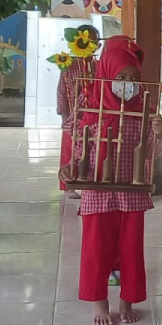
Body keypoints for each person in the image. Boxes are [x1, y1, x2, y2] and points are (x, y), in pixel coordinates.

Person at [63, 36, 162, 325]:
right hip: (97, 191)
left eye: (133, 77)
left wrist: (160, 133)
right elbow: (79, 149)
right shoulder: (91, 104)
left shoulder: (143, 107)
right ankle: (99, 304)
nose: (127, 83)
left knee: (131, 249)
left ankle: (127, 302)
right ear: (107, 74)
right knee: (96, 250)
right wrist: (71, 169)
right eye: (120, 77)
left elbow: (152, 154)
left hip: (132, 191)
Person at [58, 24, 100, 196]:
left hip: (94, 118)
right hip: (73, 115)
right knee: (69, 147)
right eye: (85, 40)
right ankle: (68, 184)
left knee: (88, 149)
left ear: (98, 45)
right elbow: (61, 90)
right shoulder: (68, 65)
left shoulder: (100, 66)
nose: (89, 44)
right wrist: (64, 115)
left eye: (93, 41)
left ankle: (86, 179)